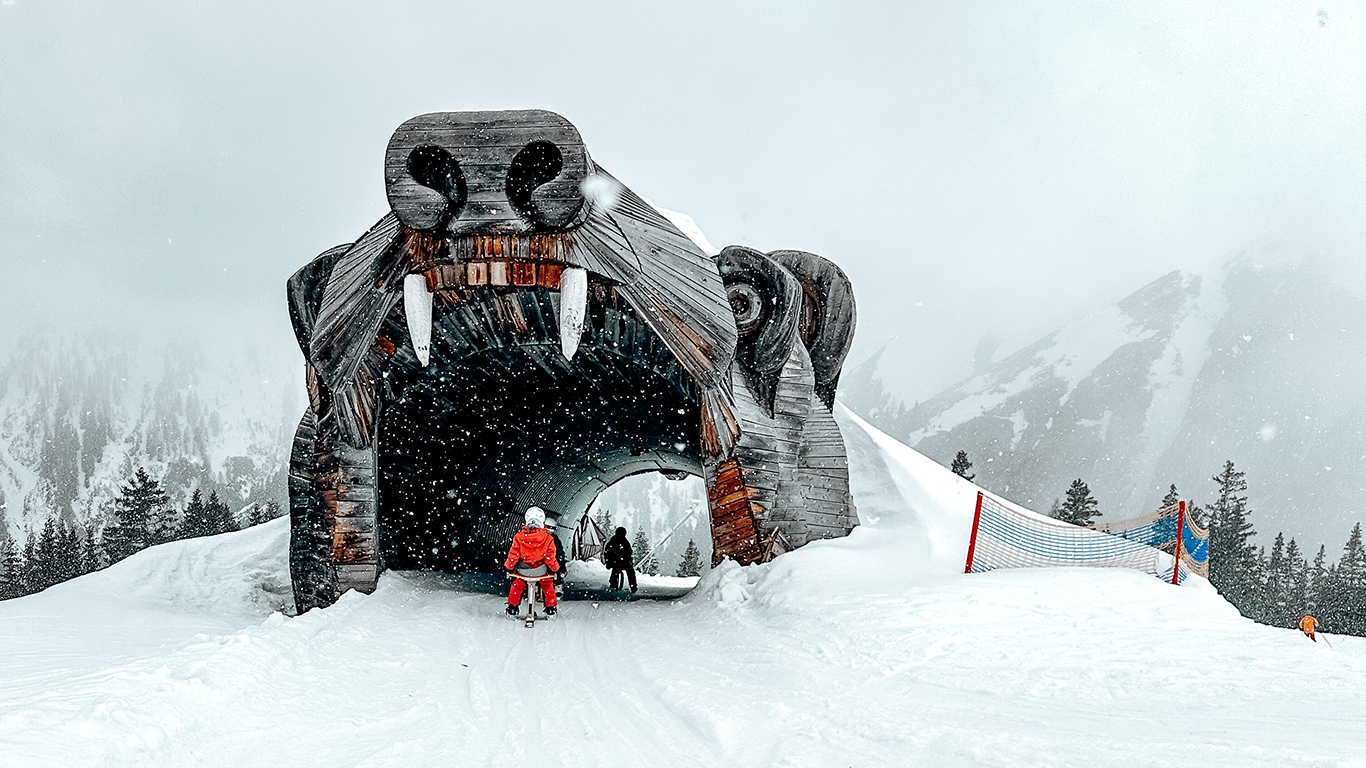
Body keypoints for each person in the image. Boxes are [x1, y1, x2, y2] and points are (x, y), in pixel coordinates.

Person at [505, 506, 560, 617]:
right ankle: (550, 610)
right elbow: (550, 558)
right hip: (541, 570)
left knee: (517, 585)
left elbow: (513, 555)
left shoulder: (519, 537)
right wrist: (556, 570)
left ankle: (512, 609)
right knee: (547, 584)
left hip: (523, 570)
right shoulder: (548, 538)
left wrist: (509, 567)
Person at [603, 526, 637, 593]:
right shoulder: (620, 542)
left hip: (619, 562)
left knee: (621, 571)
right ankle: (632, 586)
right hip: (617, 562)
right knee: (628, 572)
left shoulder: (616, 542)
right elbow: (608, 553)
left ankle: (614, 586)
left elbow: (607, 553)